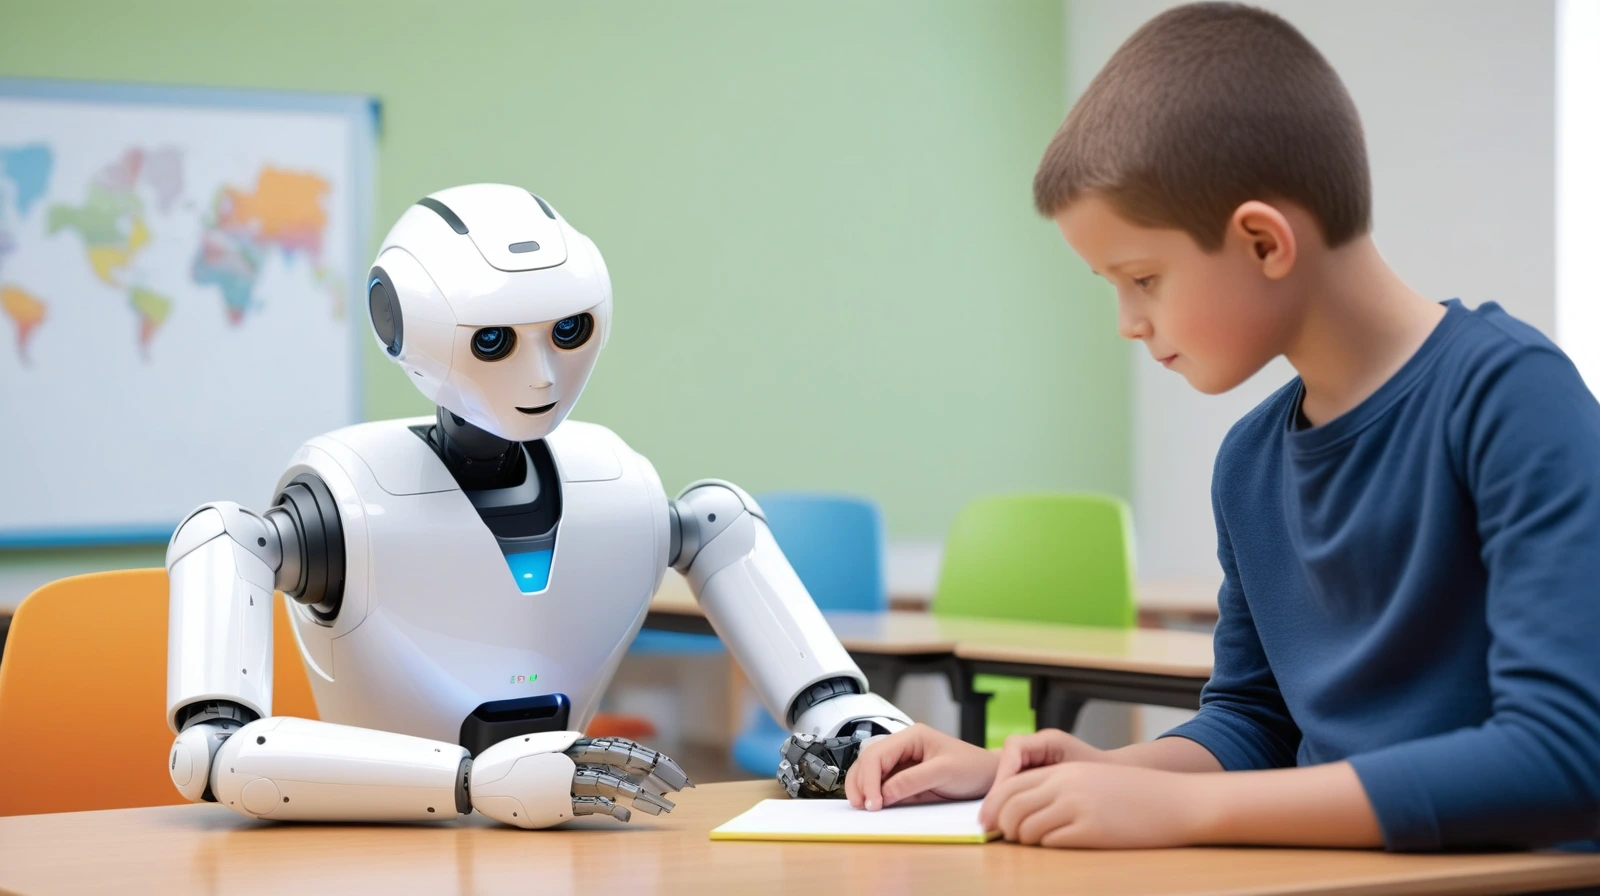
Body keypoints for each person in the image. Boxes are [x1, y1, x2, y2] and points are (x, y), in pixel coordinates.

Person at [845, 1, 1600, 852]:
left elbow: (1565, 759)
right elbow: (1253, 725)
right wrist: (1067, 775)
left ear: (1264, 243)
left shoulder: (1511, 397)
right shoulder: (1248, 462)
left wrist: (1186, 812)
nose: (1127, 322)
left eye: (1143, 278)